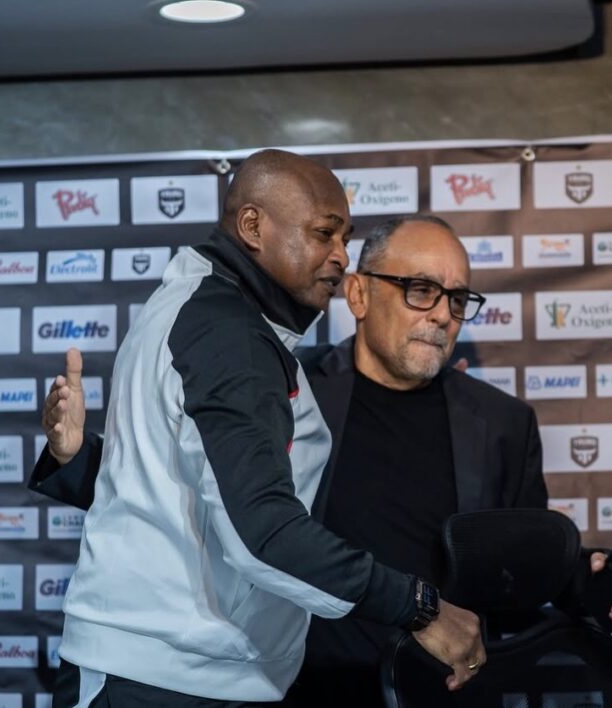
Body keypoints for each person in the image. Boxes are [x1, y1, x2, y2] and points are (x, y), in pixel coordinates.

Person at [39, 213, 612, 706]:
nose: (442, 315)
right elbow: (190, 497)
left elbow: (517, 567)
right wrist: (75, 459)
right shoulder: (283, 382)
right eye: (421, 290)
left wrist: (587, 584)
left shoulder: (502, 422)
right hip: (299, 683)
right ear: (359, 294)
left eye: (457, 298)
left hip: (443, 690)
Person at [36, 151, 485, 708]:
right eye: (324, 233)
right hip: (166, 678)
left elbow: (174, 484)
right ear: (253, 226)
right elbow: (264, 535)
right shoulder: (230, 336)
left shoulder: (195, 307)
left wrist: (77, 458)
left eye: (344, 237)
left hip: (173, 671)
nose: (341, 256)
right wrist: (421, 607)